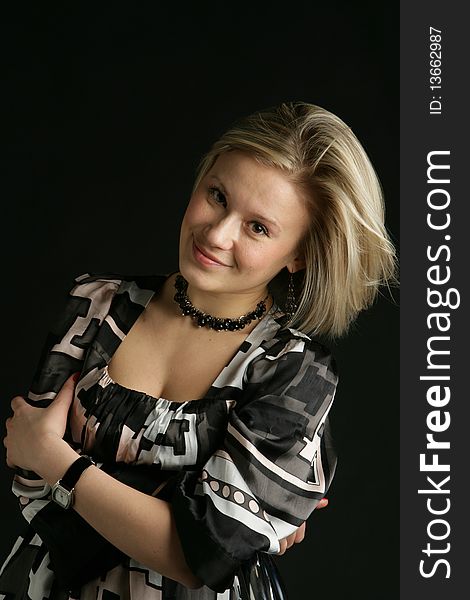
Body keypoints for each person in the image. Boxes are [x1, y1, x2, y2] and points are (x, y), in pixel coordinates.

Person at [1, 101, 396, 600]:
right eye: (217, 196)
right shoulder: (96, 303)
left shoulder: (295, 372)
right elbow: (28, 480)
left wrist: (62, 462)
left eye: (258, 227)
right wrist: (241, 522)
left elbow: (199, 558)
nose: (217, 234)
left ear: (299, 254)